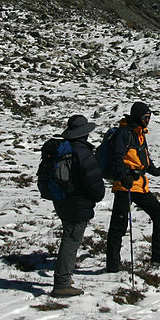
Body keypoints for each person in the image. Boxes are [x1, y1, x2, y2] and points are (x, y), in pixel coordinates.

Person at [105, 101, 160, 271]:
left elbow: (144, 163)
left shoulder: (140, 134)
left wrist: (158, 171)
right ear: (137, 116)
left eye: (149, 117)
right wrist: (122, 176)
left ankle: (159, 254)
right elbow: (117, 158)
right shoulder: (124, 133)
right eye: (145, 117)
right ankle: (113, 264)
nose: (147, 120)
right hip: (125, 186)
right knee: (119, 225)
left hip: (139, 186)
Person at [50, 114, 105, 297]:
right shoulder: (82, 152)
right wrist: (98, 196)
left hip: (61, 200)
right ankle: (62, 283)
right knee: (71, 240)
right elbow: (94, 181)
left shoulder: (64, 149)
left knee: (69, 236)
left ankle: (65, 275)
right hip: (77, 203)